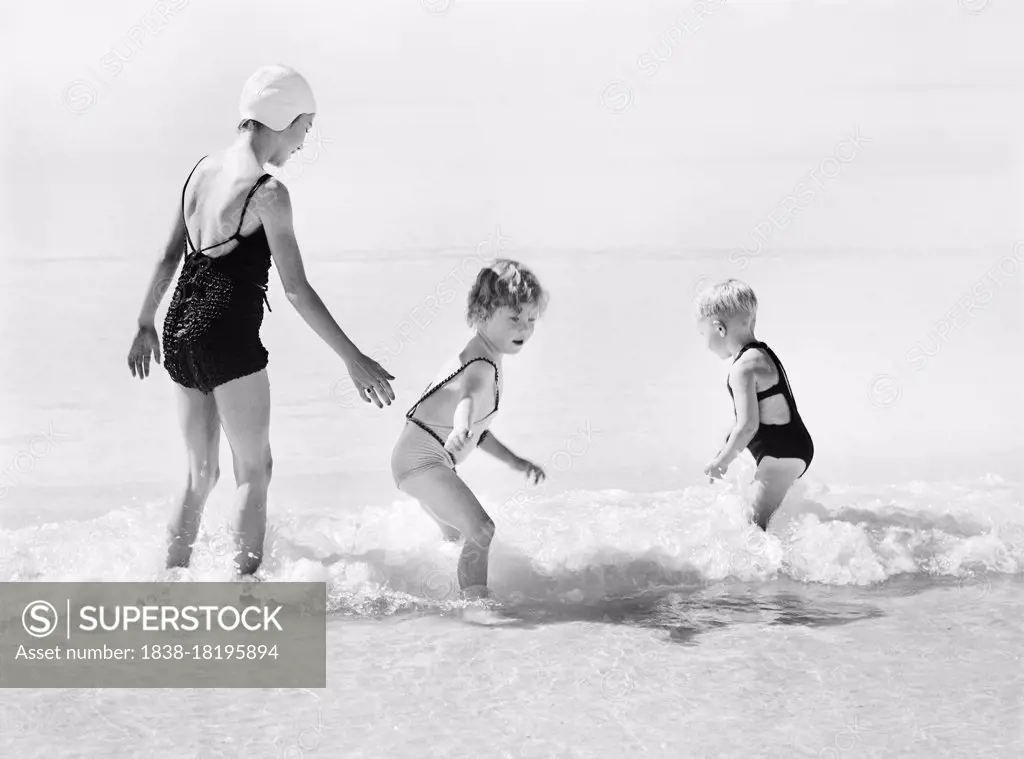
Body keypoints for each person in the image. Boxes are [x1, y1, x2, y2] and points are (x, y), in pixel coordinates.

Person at [126, 65, 395, 576]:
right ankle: (244, 590)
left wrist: (144, 322)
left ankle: (170, 582)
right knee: (255, 470)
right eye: (305, 127)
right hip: (226, 337)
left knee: (198, 474)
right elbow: (296, 289)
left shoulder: (199, 172)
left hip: (178, 329)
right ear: (284, 119)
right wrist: (353, 359)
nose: (303, 142)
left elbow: (168, 257)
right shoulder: (269, 193)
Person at [391, 259, 548, 599]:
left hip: (417, 461)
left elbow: (478, 432)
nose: (524, 328)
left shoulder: (482, 354)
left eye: (531, 319)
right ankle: (477, 607)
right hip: (424, 463)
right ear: (482, 314)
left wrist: (515, 462)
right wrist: (460, 427)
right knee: (482, 530)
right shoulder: (481, 365)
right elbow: (468, 399)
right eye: (514, 318)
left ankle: (423, 592)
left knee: (455, 538)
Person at [696, 279, 813, 531]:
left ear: (719, 329)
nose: (704, 343)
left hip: (781, 455)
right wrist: (726, 446)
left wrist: (722, 463)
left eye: (702, 334)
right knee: (755, 518)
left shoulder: (743, 368)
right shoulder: (762, 354)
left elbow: (748, 425)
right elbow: (750, 418)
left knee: (753, 529)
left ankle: (783, 571)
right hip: (789, 450)